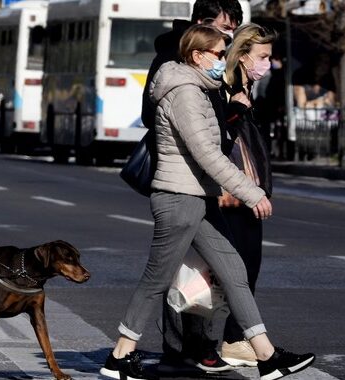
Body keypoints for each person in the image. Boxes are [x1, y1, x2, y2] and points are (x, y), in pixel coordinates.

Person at [100, 24, 315, 380]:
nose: (222, 60)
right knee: (156, 280)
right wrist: (251, 192)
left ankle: (266, 356)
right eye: (217, 53)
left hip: (197, 199)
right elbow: (207, 154)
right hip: (179, 199)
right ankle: (120, 355)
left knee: (234, 272)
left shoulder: (199, 89)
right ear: (197, 55)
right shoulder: (184, 92)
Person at [141, 0, 244, 372]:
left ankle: (199, 345)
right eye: (224, 29)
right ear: (202, 25)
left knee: (208, 267)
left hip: (204, 180)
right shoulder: (175, 61)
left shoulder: (220, 62)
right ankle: (184, 347)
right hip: (183, 180)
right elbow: (156, 118)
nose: (228, 39)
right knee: (178, 268)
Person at [218, 23, 276, 367]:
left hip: (246, 192)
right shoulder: (225, 89)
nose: (267, 63)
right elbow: (214, 139)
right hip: (231, 193)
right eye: (263, 56)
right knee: (236, 269)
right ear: (242, 56)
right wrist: (235, 109)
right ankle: (231, 339)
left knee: (247, 265)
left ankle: (233, 338)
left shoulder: (247, 88)